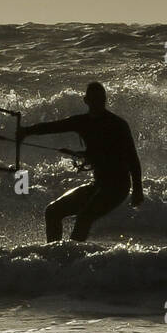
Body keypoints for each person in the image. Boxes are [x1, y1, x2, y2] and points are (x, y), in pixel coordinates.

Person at [16, 82, 145, 242]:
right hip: (98, 185)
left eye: (101, 99)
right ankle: (54, 253)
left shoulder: (118, 124)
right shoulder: (82, 122)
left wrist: (138, 189)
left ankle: (70, 257)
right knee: (52, 211)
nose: (98, 103)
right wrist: (26, 131)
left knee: (84, 218)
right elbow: (55, 126)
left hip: (118, 187)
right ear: (86, 101)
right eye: (94, 99)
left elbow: (132, 158)